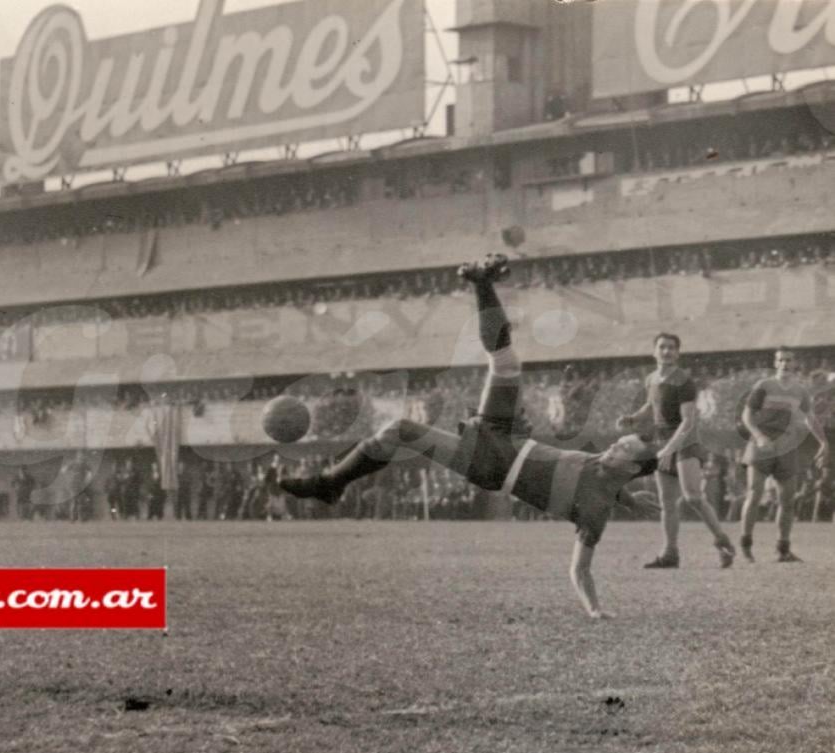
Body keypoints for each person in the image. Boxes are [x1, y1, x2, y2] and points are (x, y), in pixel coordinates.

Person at [281, 255, 659, 618]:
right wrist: (628, 498)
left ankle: (330, 483)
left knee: (400, 430)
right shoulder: (606, 473)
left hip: (492, 466)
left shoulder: (595, 512)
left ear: (630, 466)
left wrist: (594, 610)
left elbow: (580, 569)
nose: (614, 443)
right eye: (621, 441)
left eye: (623, 447)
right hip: (512, 435)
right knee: (507, 363)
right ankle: (482, 284)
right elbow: (606, 481)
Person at [617, 334, 736, 569]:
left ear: (678, 353)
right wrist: (631, 418)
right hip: (662, 444)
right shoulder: (651, 378)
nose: (667, 351)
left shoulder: (684, 381)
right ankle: (670, 554)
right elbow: (651, 406)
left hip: (684, 443)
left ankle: (723, 542)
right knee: (667, 501)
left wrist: (670, 447)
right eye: (662, 347)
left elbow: (688, 421)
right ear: (654, 352)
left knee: (692, 496)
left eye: (671, 348)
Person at [736, 347, 828, 562]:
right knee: (754, 494)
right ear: (775, 363)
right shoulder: (764, 386)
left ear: (794, 364)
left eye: (788, 360)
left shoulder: (800, 391)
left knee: (787, 501)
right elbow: (747, 414)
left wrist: (823, 441)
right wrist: (758, 436)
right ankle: (746, 545)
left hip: (787, 447)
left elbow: (810, 418)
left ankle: (783, 550)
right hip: (762, 446)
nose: (785, 364)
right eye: (781, 360)